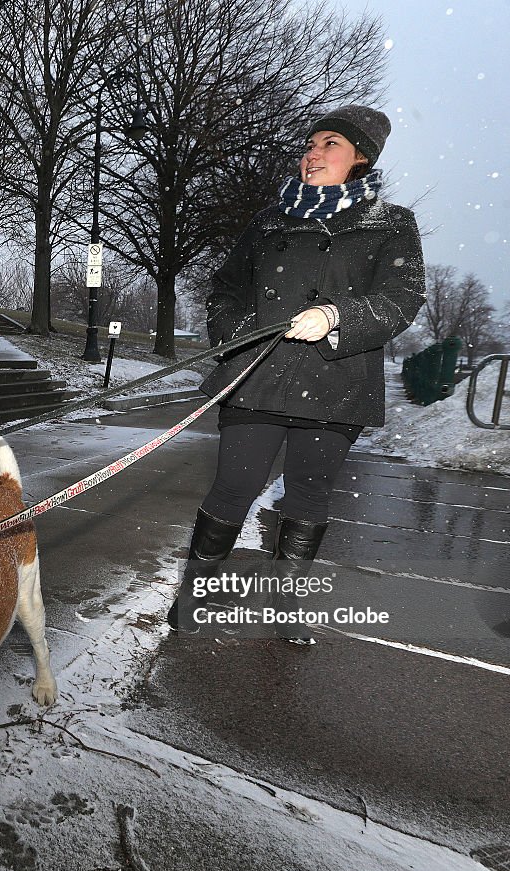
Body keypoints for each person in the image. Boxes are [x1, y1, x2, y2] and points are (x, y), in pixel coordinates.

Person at [168, 104, 426, 642]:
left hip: (337, 380)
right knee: (234, 486)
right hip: (258, 374)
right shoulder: (270, 219)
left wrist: (337, 317)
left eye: (330, 143)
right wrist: (240, 330)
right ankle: (193, 592)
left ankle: (287, 606)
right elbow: (226, 287)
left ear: (361, 159)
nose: (313, 152)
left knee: (309, 494)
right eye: (310, 144)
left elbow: (402, 299)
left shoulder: (391, 222)